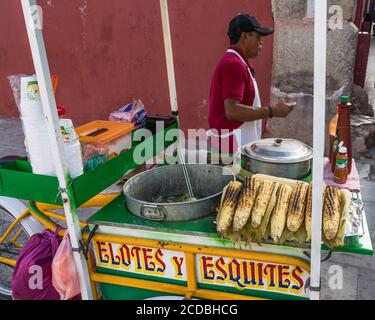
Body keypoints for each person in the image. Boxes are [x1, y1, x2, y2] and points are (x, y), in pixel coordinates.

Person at [207, 13, 295, 155]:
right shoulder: (234, 65)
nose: (261, 42)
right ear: (245, 36)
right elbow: (232, 111)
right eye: (258, 37)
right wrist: (273, 111)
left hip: (235, 144)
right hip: (231, 148)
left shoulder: (238, 62)